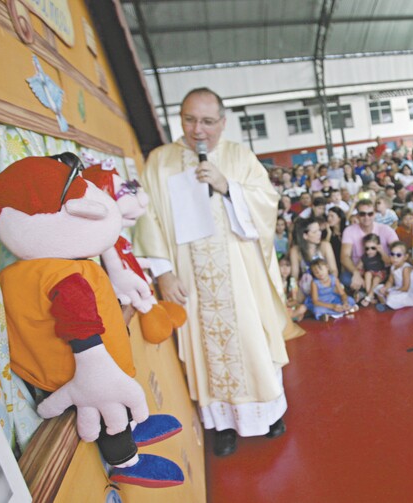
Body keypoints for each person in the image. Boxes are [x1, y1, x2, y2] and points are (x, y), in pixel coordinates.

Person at [134, 87, 302, 457]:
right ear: (180, 120)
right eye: (190, 120)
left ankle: (269, 413)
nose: (199, 130)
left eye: (208, 121)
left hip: (240, 278)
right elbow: (149, 221)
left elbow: (266, 204)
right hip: (190, 280)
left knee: (252, 342)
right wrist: (163, 273)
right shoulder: (160, 162)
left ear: (222, 123)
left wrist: (227, 186)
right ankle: (223, 425)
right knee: (206, 354)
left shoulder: (239, 157)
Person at [340, 199, 398, 290]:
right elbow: (344, 256)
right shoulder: (349, 231)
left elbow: (398, 250)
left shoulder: (386, 229)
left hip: (382, 270)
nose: (366, 217)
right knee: (345, 278)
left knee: (396, 275)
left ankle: (366, 290)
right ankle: (374, 290)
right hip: (359, 270)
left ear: (374, 214)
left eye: (370, 214)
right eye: (362, 214)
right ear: (357, 215)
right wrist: (356, 273)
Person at [373, 242, 413, 311]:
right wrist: (385, 288)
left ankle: (387, 305)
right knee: (378, 288)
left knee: (392, 297)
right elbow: (390, 281)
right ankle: (385, 303)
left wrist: (391, 291)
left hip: (409, 293)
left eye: (398, 255)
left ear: (405, 257)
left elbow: (406, 287)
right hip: (399, 289)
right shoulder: (393, 267)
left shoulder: (406, 268)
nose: (395, 258)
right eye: (392, 254)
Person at [358, 233, 387, 307]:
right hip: (370, 274)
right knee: (367, 274)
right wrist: (360, 276)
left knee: (376, 279)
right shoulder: (364, 257)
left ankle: (369, 296)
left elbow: (388, 261)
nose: (370, 251)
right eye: (367, 248)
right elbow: (359, 268)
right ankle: (370, 295)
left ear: (378, 247)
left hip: (380, 274)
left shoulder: (380, 255)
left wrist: (382, 251)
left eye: (373, 248)